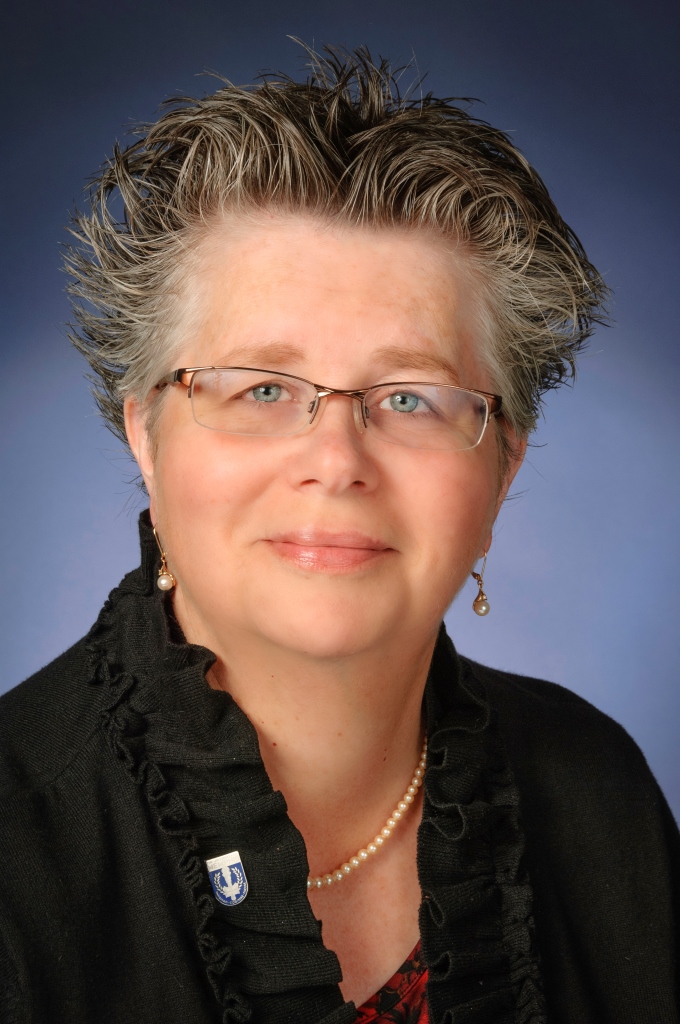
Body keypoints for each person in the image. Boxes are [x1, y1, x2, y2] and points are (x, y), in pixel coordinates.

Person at [0, 45, 677, 1024]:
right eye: (261, 388)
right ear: (145, 432)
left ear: (503, 464)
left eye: (408, 396)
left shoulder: (595, 788)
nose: (336, 459)